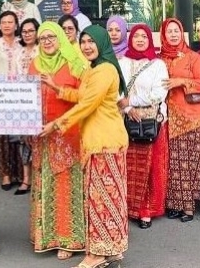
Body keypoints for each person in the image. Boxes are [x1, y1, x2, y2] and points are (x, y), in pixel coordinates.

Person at [39, 25, 129, 268]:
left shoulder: (104, 70)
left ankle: (98, 254)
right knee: (109, 198)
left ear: (101, 42)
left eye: (91, 41)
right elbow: (83, 95)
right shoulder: (95, 68)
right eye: (84, 41)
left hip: (104, 143)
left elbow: (87, 104)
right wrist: (59, 89)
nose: (87, 46)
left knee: (101, 199)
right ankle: (112, 249)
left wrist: (56, 125)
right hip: (101, 142)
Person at [28, 21, 86, 260]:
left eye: (52, 37)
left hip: (68, 135)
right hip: (41, 137)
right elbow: (25, 98)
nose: (48, 41)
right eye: (43, 38)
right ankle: (45, 236)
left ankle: (69, 240)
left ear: (61, 37)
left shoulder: (75, 63)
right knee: (44, 184)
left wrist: (56, 86)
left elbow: (85, 98)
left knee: (65, 187)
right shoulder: (34, 64)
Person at [160, 17, 200, 222]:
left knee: (191, 165)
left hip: (193, 118)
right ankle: (175, 204)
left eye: (176, 31)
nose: (173, 35)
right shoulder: (160, 59)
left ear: (182, 33)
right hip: (170, 120)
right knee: (174, 165)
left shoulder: (193, 58)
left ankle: (189, 208)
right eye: (169, 31)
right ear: (163, 35)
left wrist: (181, 81)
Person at [117, 23, 169, 229]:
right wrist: (128, 108)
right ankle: (128, 207)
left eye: (144, 37)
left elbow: (159, 93)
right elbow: (116, 90)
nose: (140, 40)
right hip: (126, 120)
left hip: (150, 122)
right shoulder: (121, 62)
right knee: (128, 166)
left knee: (149, 167)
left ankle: (145, 210)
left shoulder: (158, 64)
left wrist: (132, 101)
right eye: (136, 36)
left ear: (150, 40)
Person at [0, 10, 25, 190]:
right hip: (1, 96)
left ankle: (20, 173)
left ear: (17, 25)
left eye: (11, 22)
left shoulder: (21, 44)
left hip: (20, 96)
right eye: (4, 22)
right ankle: (6, 175)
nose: (8, 25)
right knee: (2, 138)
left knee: (19, 137)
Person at [13, 17, 40, 196]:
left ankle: (38, 180)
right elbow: (14, 75)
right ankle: (25, 179)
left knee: (38, 140)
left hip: (39, 100)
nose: (27, 34)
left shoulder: (41, 50)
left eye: (31, 31)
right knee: (23, 141)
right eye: (24, 31)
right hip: (22, 100)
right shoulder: (18, 52)